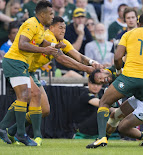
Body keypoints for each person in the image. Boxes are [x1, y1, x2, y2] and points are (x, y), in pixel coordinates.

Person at [6, 16, 102, 146]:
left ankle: (11, 129)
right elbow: (62, 59)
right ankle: (31, 135)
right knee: (28, 96)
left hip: (32, 72)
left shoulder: (62, 41)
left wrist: (92, 62)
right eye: (60, 27)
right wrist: (86, 68)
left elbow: (77, 55)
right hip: (22, 67)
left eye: (65, 28)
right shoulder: (48, 36)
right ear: (51, 28)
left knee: (45, 110)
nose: (63, 31)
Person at [86, 12, 143, 150]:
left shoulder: (129, 34)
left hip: (129, 78)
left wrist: (119, 72)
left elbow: (117, 57)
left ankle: (102, 138)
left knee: (105, 102)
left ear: (138, 23)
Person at [0, 1, 63, 146]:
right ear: (42, 14)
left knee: (33, 94)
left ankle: (4, 127)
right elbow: (22, 44)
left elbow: (41, 42)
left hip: (21, 63)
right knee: (24, 96)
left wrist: (54, 45)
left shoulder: (39, 26)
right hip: (15, 61)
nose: (53, 17)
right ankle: (20, 134)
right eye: (51, 14)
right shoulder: (31, 24)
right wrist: (44, 50)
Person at [88, 65, 143, 146]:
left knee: (122, 128)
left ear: (102, 70)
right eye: (101, 82)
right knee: (114, 116)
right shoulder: (112, 81)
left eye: (100, 78)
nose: (103, 80)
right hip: (137, 98)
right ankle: (103, 139)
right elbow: (117, 101)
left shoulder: (119, 67)